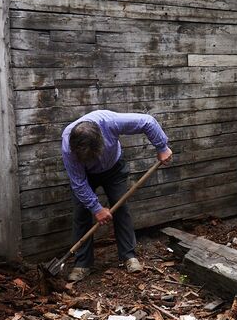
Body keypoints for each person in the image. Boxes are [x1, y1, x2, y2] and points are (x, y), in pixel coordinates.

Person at [62, 110, 172, 282]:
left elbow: (147, 121)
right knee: (81, 213)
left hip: (113, 168)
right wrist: (96, 208)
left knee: (121, 208)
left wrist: (162, 147)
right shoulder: (68, 147)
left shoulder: (110, 122)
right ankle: (82, 264)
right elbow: (78, 183)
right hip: (85, 175)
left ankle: (128, 256)